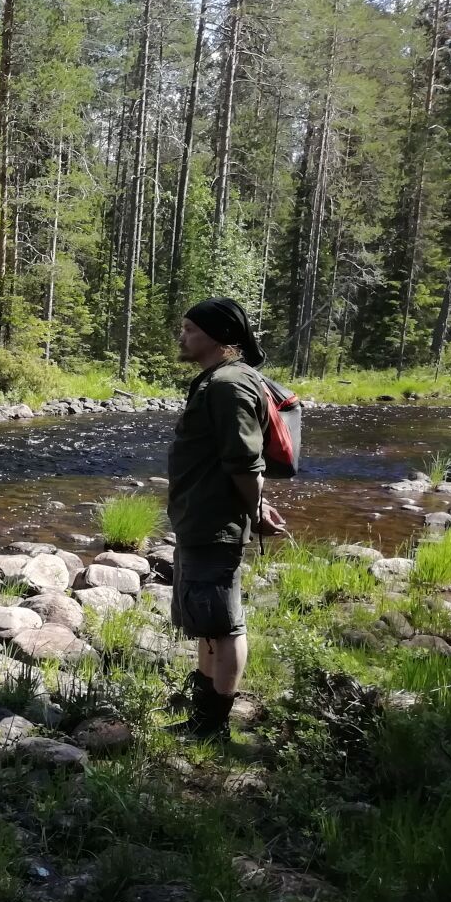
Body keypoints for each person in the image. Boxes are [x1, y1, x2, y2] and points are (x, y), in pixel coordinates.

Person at [166, 297, 287, 738]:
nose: (182, 336)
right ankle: (202, 706)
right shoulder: (216, 381)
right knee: (206, 619)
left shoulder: (227, 385)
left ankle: (211, 724)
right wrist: (257, 503)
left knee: (224, 622)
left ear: (218, 337)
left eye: (190, 329)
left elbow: (243, 461)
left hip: (215, 521)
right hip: (200, 518)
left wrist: (256, 508)